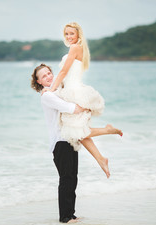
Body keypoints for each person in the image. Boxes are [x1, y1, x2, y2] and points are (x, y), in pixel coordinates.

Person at [31, 64, 122, 223]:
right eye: (44, 76)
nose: (48, 77)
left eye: (49, 73)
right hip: (60, 143)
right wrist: (85, 107)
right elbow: (70, 108)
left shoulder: (57, 91)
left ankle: (71, 214)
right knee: (66, 179)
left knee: (73, 178)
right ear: (39, 82)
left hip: (70, 139)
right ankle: (65, 217)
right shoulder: (47, 96)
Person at [42, 22, 122, 178]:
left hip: (74, 92)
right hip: (71, 90)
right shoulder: (80, 48)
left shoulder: (75, 48)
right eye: (66, 34)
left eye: (72, 33)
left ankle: (108, 131)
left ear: (78, 34)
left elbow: (64, 71)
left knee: (77, 132)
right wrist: (56, 90)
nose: (69, 37)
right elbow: (66, 73)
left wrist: (51, 89)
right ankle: (101, 159)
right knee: (78, 133)